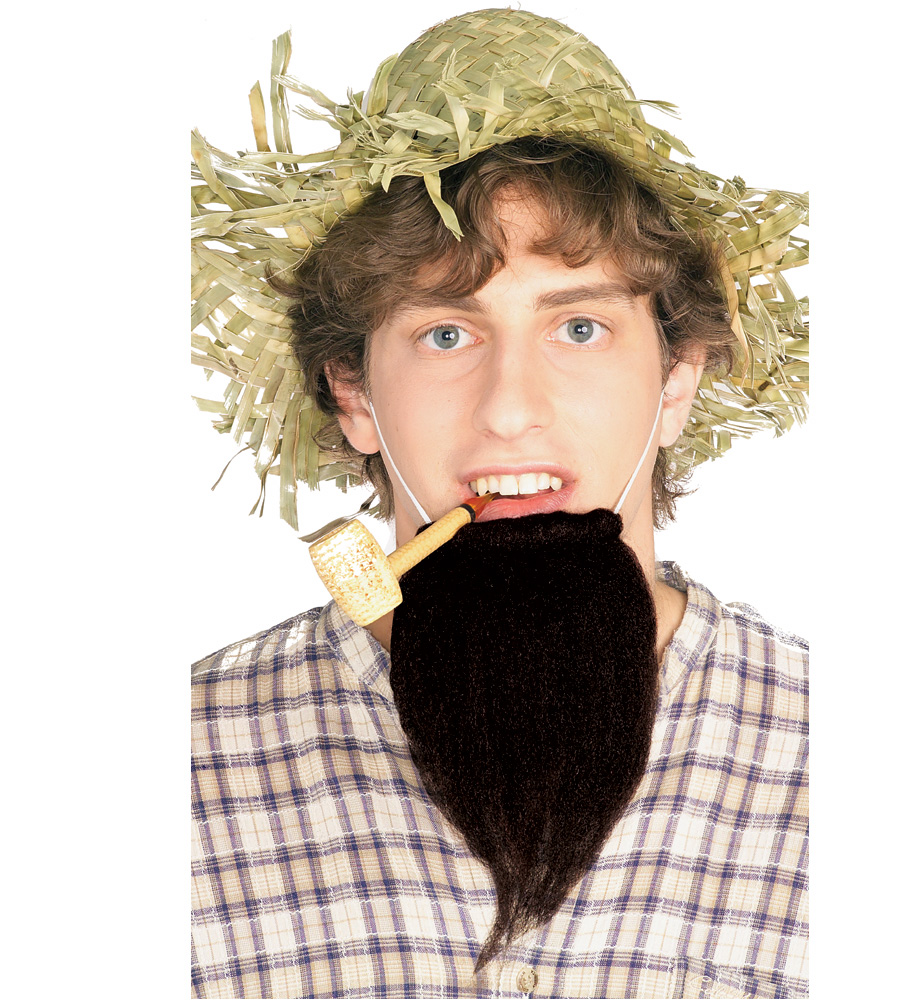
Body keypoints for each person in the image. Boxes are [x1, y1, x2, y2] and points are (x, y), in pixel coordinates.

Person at [191, 9, 808, 998]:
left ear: (677, 378)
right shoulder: (187, 760)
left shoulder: (828, 748)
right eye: (445, 334)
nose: (511, 410)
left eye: (578, 327)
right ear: (354, 394)